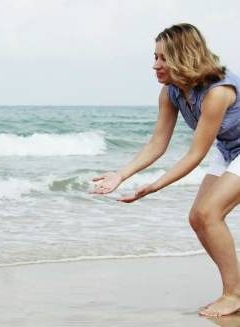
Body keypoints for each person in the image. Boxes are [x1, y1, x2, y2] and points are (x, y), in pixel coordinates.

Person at [92, 23, 240, 317]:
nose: (155, 65)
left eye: (162, 58)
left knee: (208, 214)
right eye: (155, 57)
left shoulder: (218, 91)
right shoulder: (171, 93)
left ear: (183, 56)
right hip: (229, 149)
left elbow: (195, 154)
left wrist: (154, 186)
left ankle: (234, 295)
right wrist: (122, 174)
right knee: (198, 218)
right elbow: (157, 144)